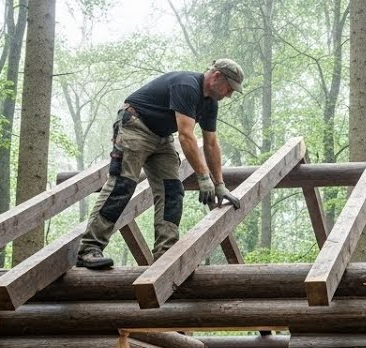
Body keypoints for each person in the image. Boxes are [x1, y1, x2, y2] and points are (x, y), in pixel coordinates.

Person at [76, 59, 245, 270]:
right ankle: (89, 249)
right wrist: (203, 177)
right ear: (216, 76)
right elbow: (185, 135)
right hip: (135, 125)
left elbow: (211, 143)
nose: (229, 93)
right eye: (229, 87)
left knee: (172, 190)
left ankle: (165, 255)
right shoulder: (187, 85)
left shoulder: (210, 103)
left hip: (161, 137)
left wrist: (219, 183)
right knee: (123, 184)